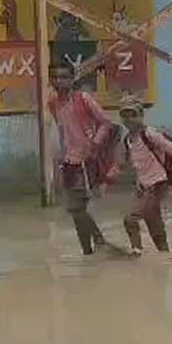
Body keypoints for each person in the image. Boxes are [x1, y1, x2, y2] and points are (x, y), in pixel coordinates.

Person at [47, 64, 115, 255]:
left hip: (86, 160)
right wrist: (59, 159)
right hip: (68, 161)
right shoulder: (53, 104)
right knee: (75, 211)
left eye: (64, 77)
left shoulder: (82, 99)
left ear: (72, 79)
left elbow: (105, 122)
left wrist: (95, 142)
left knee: (78, 208)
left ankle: (98, 239)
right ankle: (87, 251)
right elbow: (62, 130)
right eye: (55, 77)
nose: (59, 81)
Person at [117, 95, 172, 255]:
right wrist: (138, 184)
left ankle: (137, 251)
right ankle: (164, 254)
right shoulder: (128, 140)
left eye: (133, 114)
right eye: (125, 115)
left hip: (159, 183)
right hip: (145, 186)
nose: (129, 119)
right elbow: (139, 165)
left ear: (141, 115)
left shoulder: (150, 134)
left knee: (132, 218)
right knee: (152, 219)